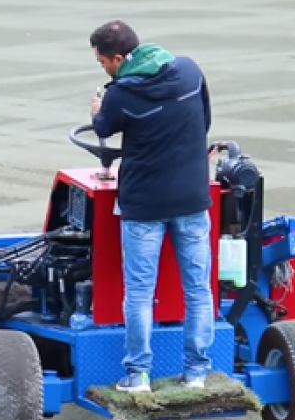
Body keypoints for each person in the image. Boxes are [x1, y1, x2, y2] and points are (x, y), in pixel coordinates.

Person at [88, 20, 215, 393]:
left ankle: (138, 374)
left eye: (103, 63)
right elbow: (203, 122)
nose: (105, 69)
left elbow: (104, 129)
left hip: (144, 206)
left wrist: (98, 108)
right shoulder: (189, 72)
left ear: (118, 58)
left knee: (140, 291)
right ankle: (196, 373)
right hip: (193, 199)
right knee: (198, 289)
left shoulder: (120, 96)